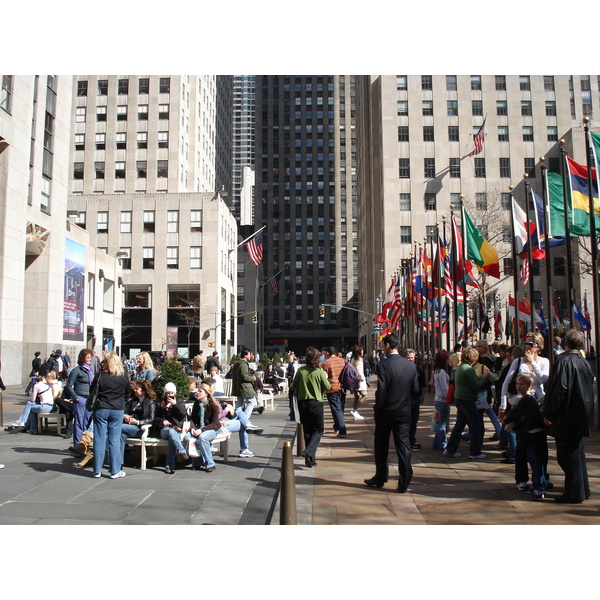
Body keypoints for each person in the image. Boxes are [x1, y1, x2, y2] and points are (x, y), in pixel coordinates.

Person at [543, 329, 594, 504]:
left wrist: (549, 412)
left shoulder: (564, 362)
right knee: (577, 454)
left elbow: (559, 389)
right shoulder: (583, 362)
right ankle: (582, 489)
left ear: (567, 343)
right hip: (580, 414)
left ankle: (574, 492)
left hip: (567, 415)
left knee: (568, 457)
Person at [364, 334, 420, 492]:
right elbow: (415, 389)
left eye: (383, 345)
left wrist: (378, 407)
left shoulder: (384, 364)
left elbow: (382, 389)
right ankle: (405, 480)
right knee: (403, 445)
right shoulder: (410, 365)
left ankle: (381, 476)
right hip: (404, 411)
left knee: (381, 445)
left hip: (386, 412)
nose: (382, 348)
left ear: (388, 345)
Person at [503, 373, 549, 501]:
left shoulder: (526, 400)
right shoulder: (525, 399)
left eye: (522, 384)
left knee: (535, 461)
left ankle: (539, 488)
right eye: (517, 384)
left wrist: (507, 418)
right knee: (534, 459)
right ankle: (539, 484)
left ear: (529, 386)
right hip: (529, 433)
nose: (519, 386)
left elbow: (510, 416)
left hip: (534, 434)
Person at [443, 347, 491, 460]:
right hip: (467, 399)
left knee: (460, 425)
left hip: (460, 398)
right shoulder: (468, 370)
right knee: (475, 425)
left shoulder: (460, 368)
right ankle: (475, 451)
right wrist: (483, 377)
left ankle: (451, 449)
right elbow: (476, 385)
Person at [90, 351, 131, 479]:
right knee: (114, 440)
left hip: (101, 408)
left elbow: (92, 390)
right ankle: (115, 470)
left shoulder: (100, 375)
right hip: (117, 408)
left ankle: (97, 470)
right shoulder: (123, 376)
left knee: (99, 439)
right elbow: (127, 392)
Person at [290, 347, 331, 468]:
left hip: (303, 403)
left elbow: (293, 386)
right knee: (318, 430)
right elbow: (328, 387)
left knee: (307, 431)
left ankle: (310, 459)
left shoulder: (301, 371)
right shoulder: (319, 372)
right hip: (315, 403)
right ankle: (309, 452)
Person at [120, 379, 157, 464]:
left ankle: (103, 447)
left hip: (142, 429)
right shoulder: (133, 401)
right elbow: (126, 411)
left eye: (137, 389)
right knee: (121, 435)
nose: (135, 390)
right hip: (130, 426)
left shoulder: (150, 402)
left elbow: (151, 419)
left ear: (143, 391)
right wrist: (126, 416)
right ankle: (119, 463)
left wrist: (137, 422)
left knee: (119, 427)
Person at [156, 381, 189, 474]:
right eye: (168, 393)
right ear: (165, 394)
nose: (170, 395)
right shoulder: (161, 403)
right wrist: (163, 421)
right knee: (170, 432)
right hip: (164, 429)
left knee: (172, 436)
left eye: (172, 393)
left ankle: (169, 466)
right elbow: (155, 418)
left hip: (176, 428)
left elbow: (183, 415)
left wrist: (175, 405)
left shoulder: (179, 401)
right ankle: (182, 451)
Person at [64, 348, 96, 445]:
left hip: (90, 399)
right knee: (79, 423)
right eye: (88, 357)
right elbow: (69, 386)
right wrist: (75, 397)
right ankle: (78, 445)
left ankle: (85, 443)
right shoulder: (76, 371)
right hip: (80, 398)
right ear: (82, 358)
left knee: (87, 422)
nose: (90, 359)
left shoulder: (90, 371)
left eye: (91, 357)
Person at [321, 346, 347, 438]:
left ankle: (342, 429)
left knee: (336, 408)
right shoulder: (342, 361)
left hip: (332, 388)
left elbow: (323, 377)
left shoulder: (325, 363)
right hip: (343, 387)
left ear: (327, 353)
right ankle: (337, 425)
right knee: (340, 408)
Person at [404, 348, 426, 449]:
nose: (410, 359)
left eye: (412, 358)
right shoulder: (401, 370)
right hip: (404, 399)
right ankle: (404, 441)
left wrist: (422, 396)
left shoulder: (418, 371)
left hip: (415, 398)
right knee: (405, 421)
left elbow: (423, 385)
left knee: (414, 420)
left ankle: (411, 440)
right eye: (408, 358)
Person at [432, 349, 450, 450]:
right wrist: (449, 397)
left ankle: (436, 441)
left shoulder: (437, 370)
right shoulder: (442, 372)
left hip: (437, 398)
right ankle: (442, 443)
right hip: (442, 399)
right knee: (443, 423)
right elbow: (444, 387)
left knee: (440, 422)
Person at [232, 349, 257, 418]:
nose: (250, 356)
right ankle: (244, 419)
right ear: (245, 355)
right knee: (251, 401)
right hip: (244, 386)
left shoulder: (237, 363)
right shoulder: (243, 364)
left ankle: (236, 418)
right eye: (249, 354)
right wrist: (252, 378)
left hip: (238, 386)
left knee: (239, 403)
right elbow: (244, 376)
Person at [350, 345, 368, 420]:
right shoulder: (359, 359)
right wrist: (363, 378)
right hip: (359, 381)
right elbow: (359, 371)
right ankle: (354, 410)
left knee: (356, 397)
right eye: (362, 350)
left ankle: (355, 413)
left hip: (354, 380)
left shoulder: (353, 359)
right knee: (365, 396)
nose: (363, 351)